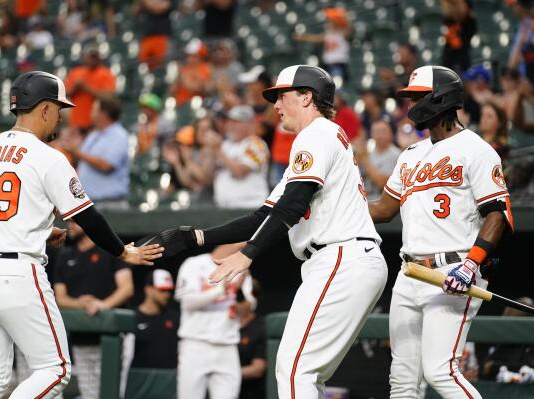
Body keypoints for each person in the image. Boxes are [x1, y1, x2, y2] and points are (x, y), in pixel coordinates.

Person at [141, 65, 388, 399]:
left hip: (340, 256)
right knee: (304, 374)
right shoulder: (322, 137)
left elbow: (294, 204)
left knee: (293, 369)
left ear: (306, 96)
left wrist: (247, 254)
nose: (276, 105)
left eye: (282, 96)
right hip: (345, 258)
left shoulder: (315, 134)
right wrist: (197, 237)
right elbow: (265, 214)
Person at [0, 70, 162, 398]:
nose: (61, 119)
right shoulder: (47, 156)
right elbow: (88, 218)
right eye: (59, 110)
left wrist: (34, 230)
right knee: (56, 369)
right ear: (45, 109)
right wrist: (124, 252)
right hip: (15, 274)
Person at [368, 65, 514, 399]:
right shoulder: (411, 153)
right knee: (403, 382)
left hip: (454, 269)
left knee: (441, 371)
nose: (410, 105)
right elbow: (384, 209)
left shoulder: (476, 149)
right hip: (410, 272)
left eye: (416, 97)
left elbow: (497, 215)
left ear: (440, 99)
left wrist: (471, 265)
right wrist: (336, 207)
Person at [54, 220, 134, 399]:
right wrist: (80, 303)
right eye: (68, 222)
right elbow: (59, 297)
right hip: (82, 338)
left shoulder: (110, 250)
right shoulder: (66, 255)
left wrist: (102, 305)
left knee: (114, 392)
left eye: (75, 222)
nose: (70, 226)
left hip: (112, 338)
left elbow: (127, 288)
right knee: (89, 393)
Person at [175, 243, 253, 399]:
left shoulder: (241, 268)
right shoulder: (195, 263)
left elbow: (246, 310)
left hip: (227, 345)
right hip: (195, 343)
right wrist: (220, 290)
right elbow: (187, 302)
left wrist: (238, 292)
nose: (242, 247)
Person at [70, 96, 130, 210]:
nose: (90, 113)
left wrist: (77, 152)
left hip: (111, 203)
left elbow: (106, 165)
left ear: (104, 114)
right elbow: (81, 161)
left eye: (94, 109)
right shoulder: (94, 135)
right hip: (90, 202)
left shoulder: (119, 135)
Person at [213, 105, 270, 208]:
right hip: (224, 207)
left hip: (250, 205)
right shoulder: (225, 145)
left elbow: (239, 172)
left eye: (237, 122)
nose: (231, 125)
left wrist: (218, 150)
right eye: (230, 121)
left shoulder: (256, 145)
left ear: (250, 124)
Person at [130, 269, 179, 369]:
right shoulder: (132, 318)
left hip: (168, 380)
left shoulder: (175, 318)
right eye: (162, 290)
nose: (167, 295)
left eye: (169, 290)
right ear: (148, 289)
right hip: (139, 380)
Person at [293, 7, 351, 85]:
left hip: (338, 64)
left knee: (336, 85)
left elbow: (349, 29)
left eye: (331, 22)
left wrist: (343, 16)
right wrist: (302, 37)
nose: (329, 24)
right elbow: (314, 38)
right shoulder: (328, 34)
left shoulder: (342, 33)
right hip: (327, 64)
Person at [65, 47, 116, 132]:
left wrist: (86, 87)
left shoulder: (106, 74)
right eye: (90, 57)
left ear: (99, 58)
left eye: (94, 57)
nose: (92, 60)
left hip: (95, 125)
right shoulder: (75, 72)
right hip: (76, 123)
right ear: (85, 57)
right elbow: (65, 93)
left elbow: (108, 97)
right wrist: (75, 87)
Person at [355, 119, 401, 200]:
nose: (380, 135)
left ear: (391, 134)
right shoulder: (369, 151)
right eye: (376, 132)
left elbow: (382, 183)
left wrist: (364, 159)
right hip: (364, 197)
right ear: (371, 134)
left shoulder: (396, 155)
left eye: (383, 131)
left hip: (381, 200)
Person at [237, 279, 266, 399]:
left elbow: (257, 369)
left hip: (250, 392)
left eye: (240, 298)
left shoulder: (260, 328)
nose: (234, 302)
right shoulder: (222, 324)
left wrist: (227, 373)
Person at [134, 0, 175, 71]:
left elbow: (162, 7)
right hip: (147, 37)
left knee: (163, 65)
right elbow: (135, 10)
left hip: (162, 36)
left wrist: (150, 3)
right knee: (143, 65)